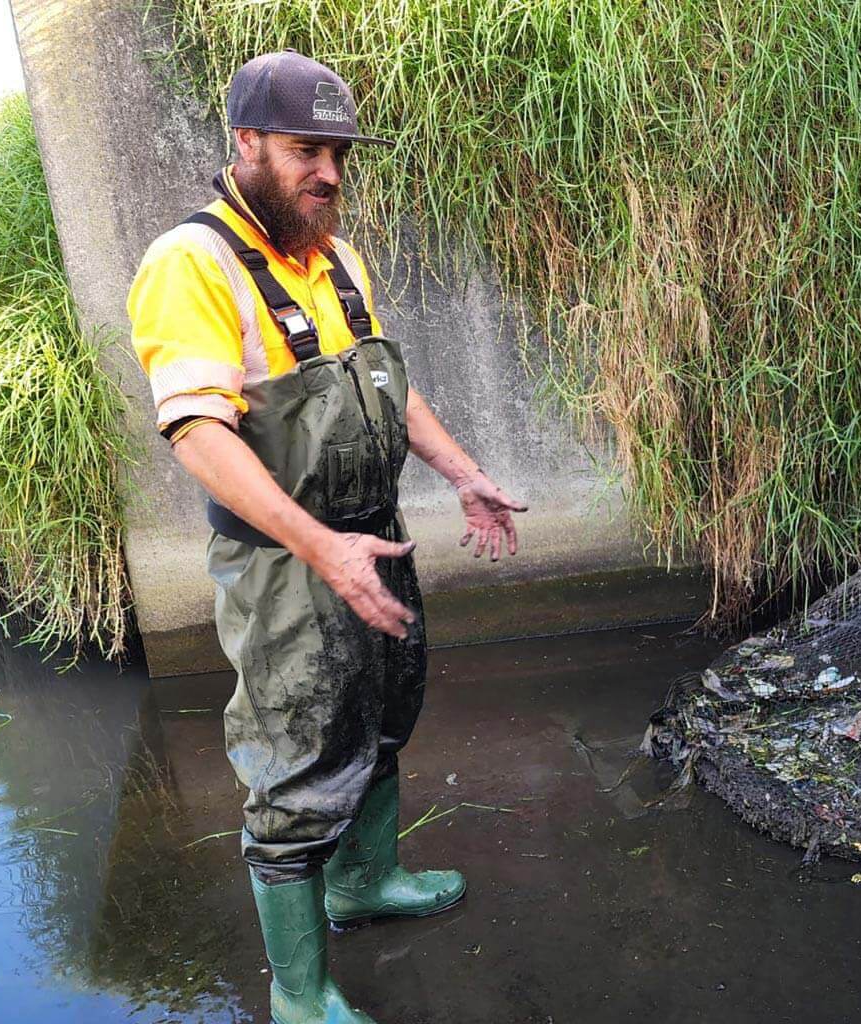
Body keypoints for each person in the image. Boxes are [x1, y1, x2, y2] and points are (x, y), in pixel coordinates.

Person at [127, 50, 526, 1024]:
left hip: (373, 536)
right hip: (284, 565)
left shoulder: (333, 254)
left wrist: (464, 473)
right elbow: (197, 431)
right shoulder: (192, 263)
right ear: (248, 143)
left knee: (384, 714)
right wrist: (320, 546)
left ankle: (365, 881)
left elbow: (389, 385)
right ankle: (300, 995)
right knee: (296, 767)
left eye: (338, 152)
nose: (329, 172)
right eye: (308, 149)